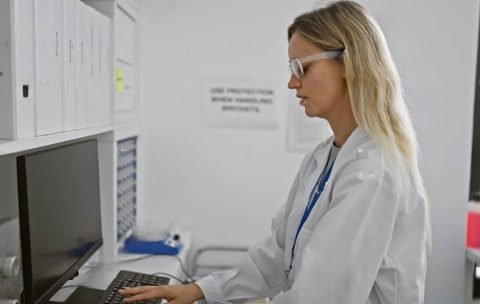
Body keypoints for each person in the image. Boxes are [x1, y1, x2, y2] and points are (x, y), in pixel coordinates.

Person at [119, 1, 430, 303]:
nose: (292, 83)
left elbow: (321, 297)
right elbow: (280, 254)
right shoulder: (324, 158)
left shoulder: (373, 174)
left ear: (348, 64)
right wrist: (201, 290)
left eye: (301, 68)